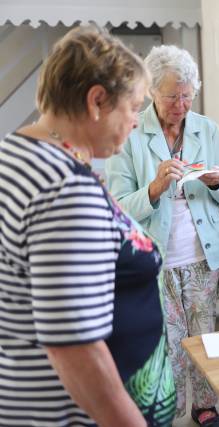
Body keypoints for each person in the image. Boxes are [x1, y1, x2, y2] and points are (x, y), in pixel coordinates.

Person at [0, 26, 175, 426]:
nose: (136, 121)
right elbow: (75, 347)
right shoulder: (65, 189)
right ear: (97, 100)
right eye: (133, 107)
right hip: (72, 413)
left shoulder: (17, 151)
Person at [106, 45, 219, 427]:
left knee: (205, 337)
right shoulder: (130, 134)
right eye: (172, 96)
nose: (181, 104)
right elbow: (118, 207)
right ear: (151, 92)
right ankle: (170, 412)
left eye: (187, 95)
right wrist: (154, 187)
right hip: (157, 260)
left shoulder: (207, 128)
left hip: (203, 255)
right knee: (168, 347)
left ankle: (205, 406)